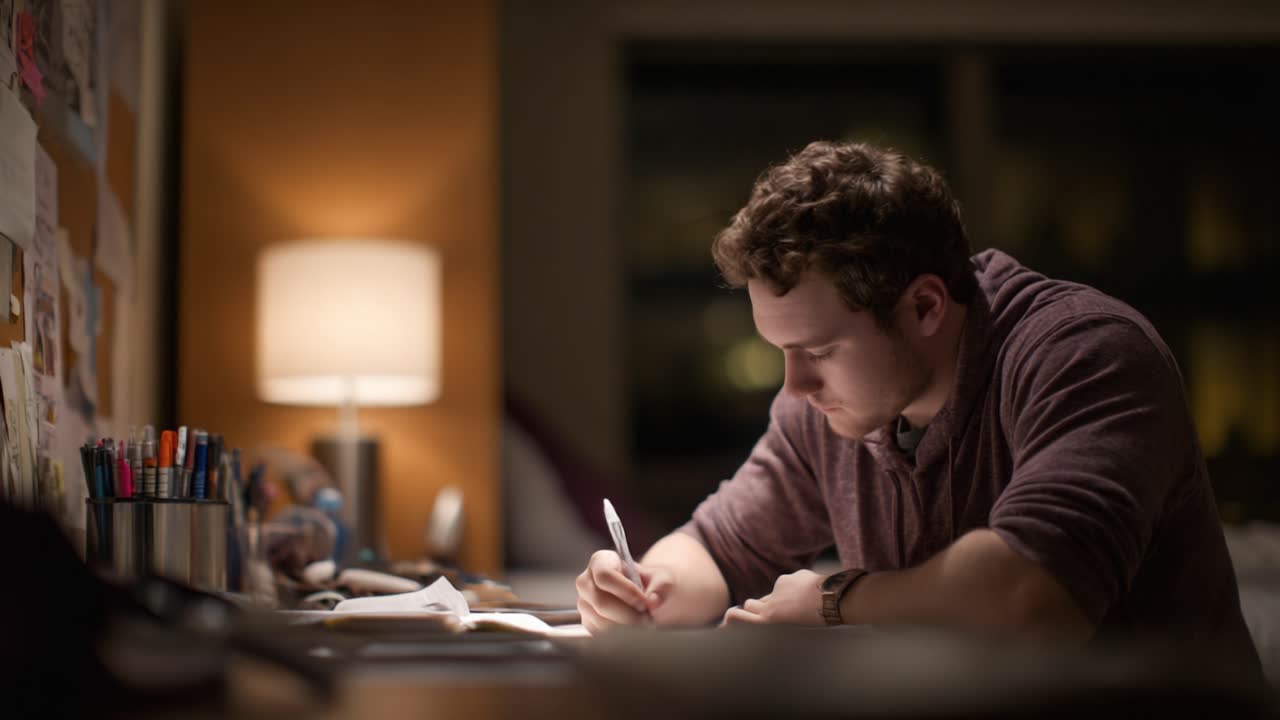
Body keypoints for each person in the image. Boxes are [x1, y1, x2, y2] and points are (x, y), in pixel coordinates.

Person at [576, 141, 1260, 666]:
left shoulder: (1085, 355)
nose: (793, 388)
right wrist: (647, 588)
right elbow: (720, 549)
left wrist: (832, 599)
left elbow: (1033, 597)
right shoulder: (828, 411)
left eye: (817, 351)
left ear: (926, 305)